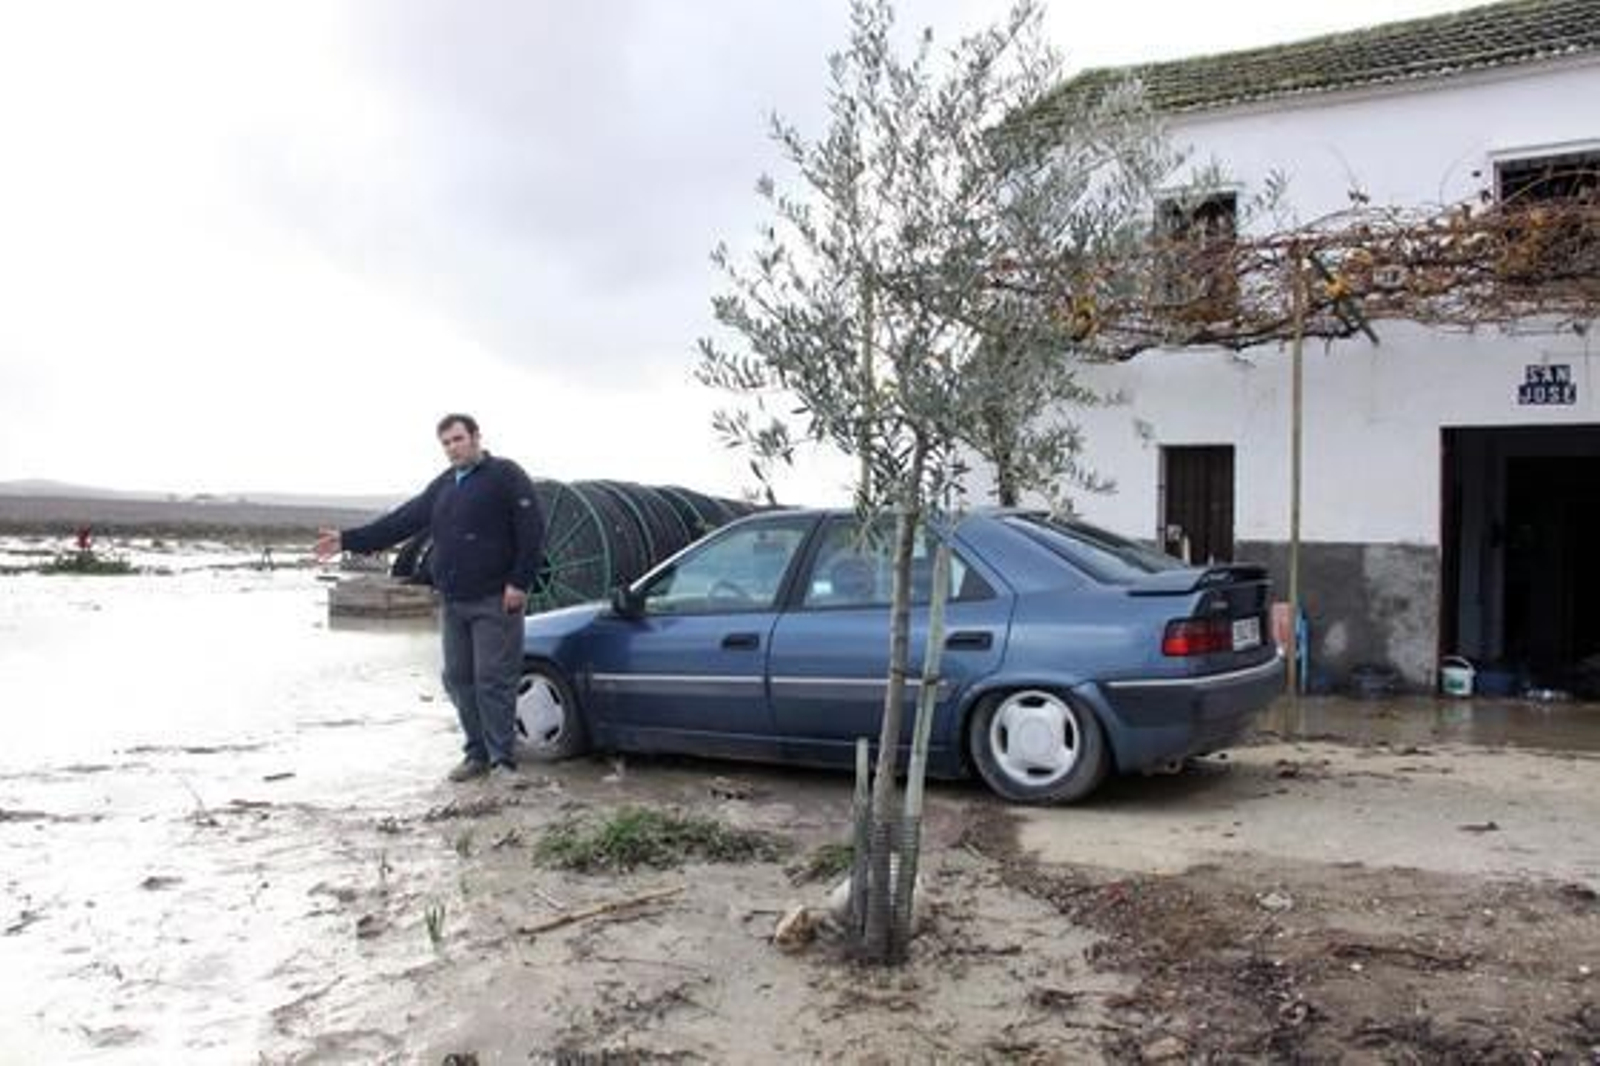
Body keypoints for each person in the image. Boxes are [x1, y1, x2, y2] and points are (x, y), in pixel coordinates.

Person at [315, 414, 545, 782]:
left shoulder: (505, 475)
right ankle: (477, 753)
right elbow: (402, 521)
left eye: (458, 439)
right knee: (457, 678)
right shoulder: (444, 486)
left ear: (476, 437)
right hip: (453, 600)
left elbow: (532, 530)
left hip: (495, 600)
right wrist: (347, 539)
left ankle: (503, 760)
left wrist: (519, 582)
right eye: (447, 443)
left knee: (494, 679)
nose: (453, 448)